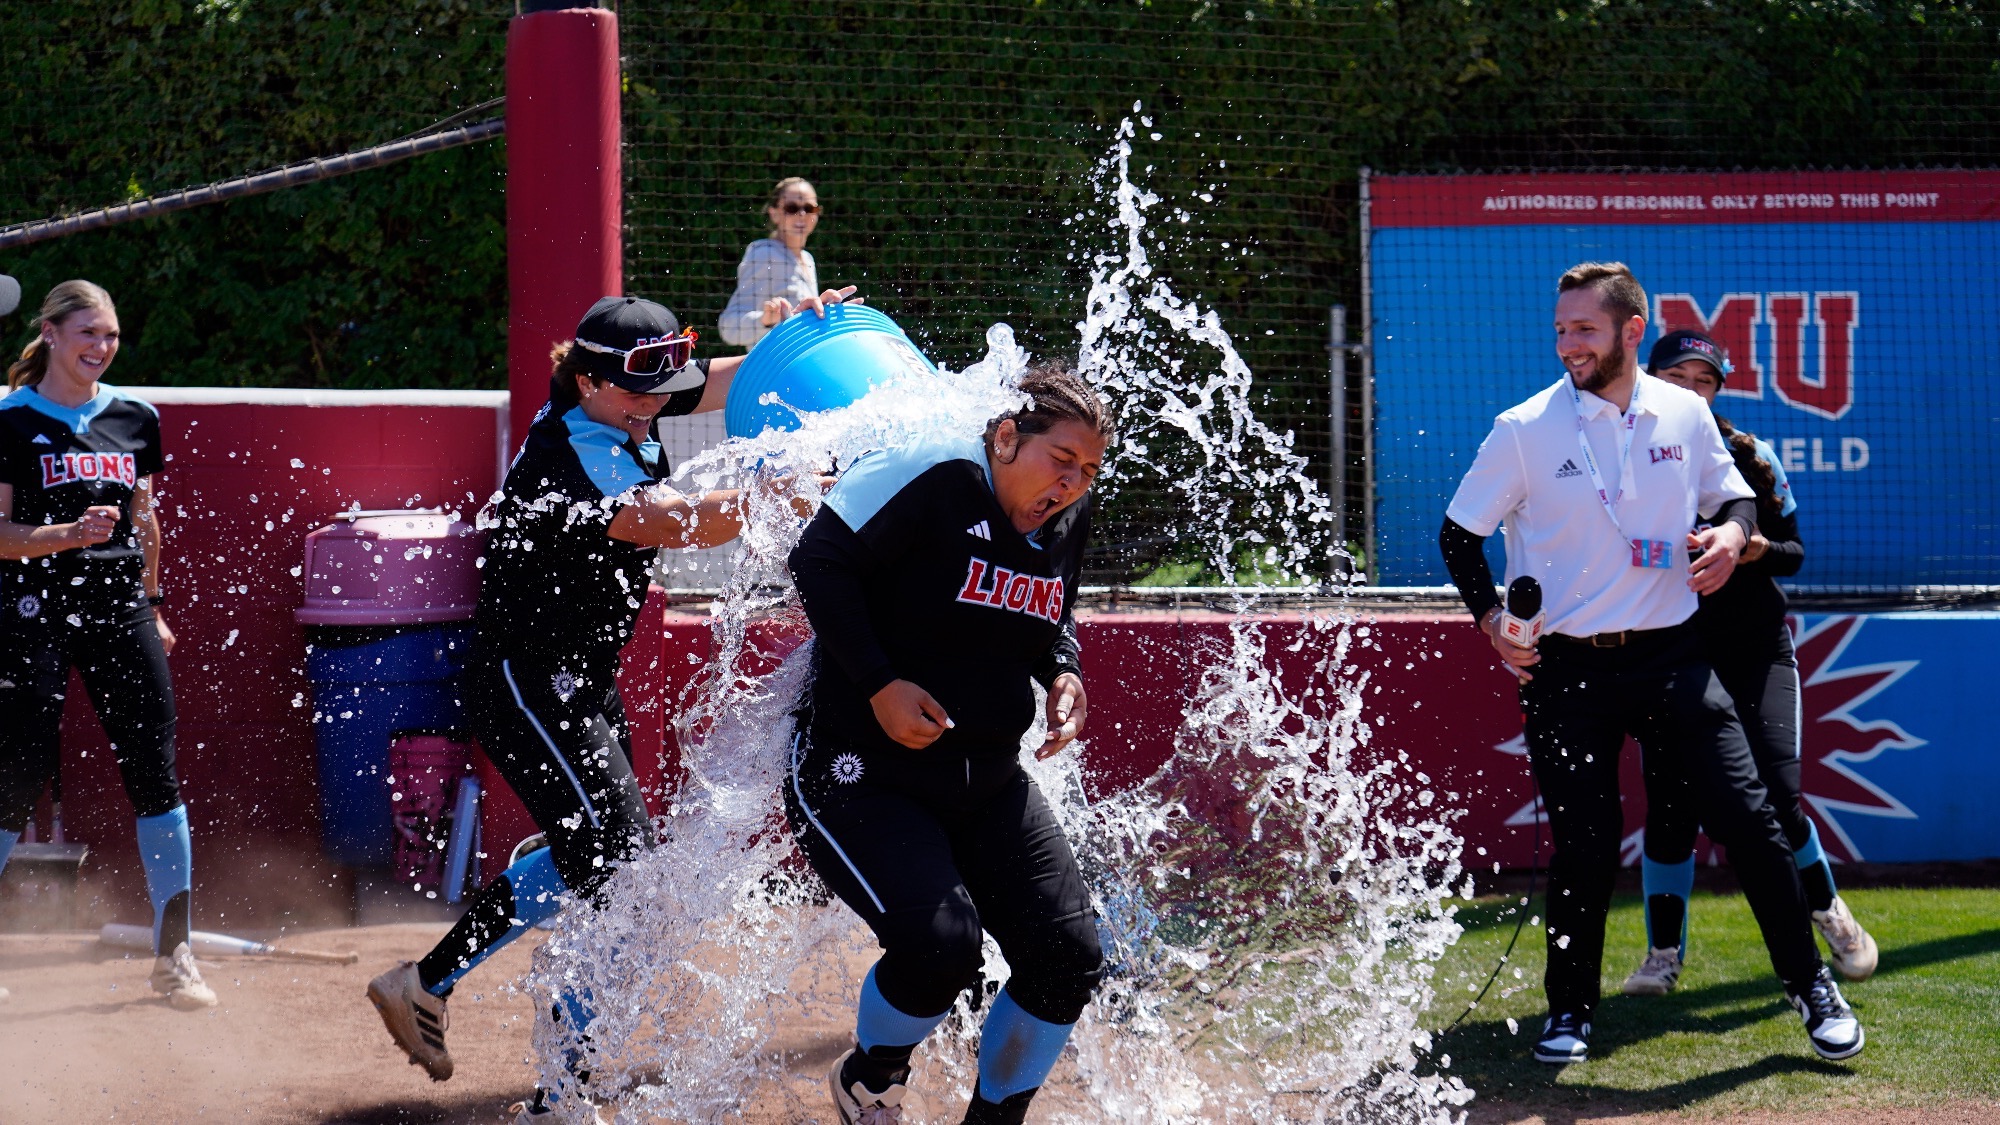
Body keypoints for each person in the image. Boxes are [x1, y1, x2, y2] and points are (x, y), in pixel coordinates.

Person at [364, 291, 848, 1121]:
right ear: (587, 382)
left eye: (665, 388)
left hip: (578, 678)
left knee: (606, 859)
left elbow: (723, 383)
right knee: (616, 868)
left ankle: (427, 986)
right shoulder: (570, 451)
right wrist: (784, 493)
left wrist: (799, 331)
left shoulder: (626, 403)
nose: (657, 405)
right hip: (526, 681)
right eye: (641, 392)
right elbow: (678, 523)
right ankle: (558, 1082)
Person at [1437, 263, 1863, 1064]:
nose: (1568, 344)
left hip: (1676, 657)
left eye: (1585, 329)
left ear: (1632, 330)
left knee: (1753, 819)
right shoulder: (1524, 427)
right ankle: (1569, 1011)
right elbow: (1459, 535)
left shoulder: (1684, 414)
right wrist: (1491, 618)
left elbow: (1734, 499)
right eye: (1561, 329)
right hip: (1567, 673)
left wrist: (1735, 538)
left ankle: (1811, 985)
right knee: (1586, 847)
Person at [786, 362, 1111, 1125]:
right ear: (1005, 436)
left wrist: (1063, 671)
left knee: (1068, 956)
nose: (1071, 484)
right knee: (942, 948)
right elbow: (817, 559)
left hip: (989, 780)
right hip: (859, 768)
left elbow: (1049, 612)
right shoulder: (929, 476)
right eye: (1060, 461)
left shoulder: (1064, 518)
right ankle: (872, 1074)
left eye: (1089, 471)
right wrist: (878, 682)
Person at [1621, 329, 1878, 997]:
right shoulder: (1620, 454)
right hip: (1672, 654)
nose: (1691, 390)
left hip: (1757, 648)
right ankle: (1662, 954)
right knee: (1673, 804)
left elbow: (1795, 551)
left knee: (1779, 795)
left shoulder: (1749, 456)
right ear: (1648, 379)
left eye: (1704, 380)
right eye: (1677, 376)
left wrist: (1753, 546)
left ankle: (1829, 912)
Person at [0, 279, 215, 1010]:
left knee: (155, 770)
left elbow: (145, 520)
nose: (100, 346)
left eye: (111, 335)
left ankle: (174, 952)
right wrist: (65, 535)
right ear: (51, 334)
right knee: (15, 774)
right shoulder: (11, 419)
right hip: (32, 608)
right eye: (87, 332)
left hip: (120, 607)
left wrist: (153, 603)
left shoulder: (135, 417)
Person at [718, 176, 833, 348]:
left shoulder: (808, 258)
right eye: (791, 208)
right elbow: (729, 328)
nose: (801, 214)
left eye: (809, 208)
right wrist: (765, 320)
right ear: (774, 213)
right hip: (773, 368)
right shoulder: (765, 254)